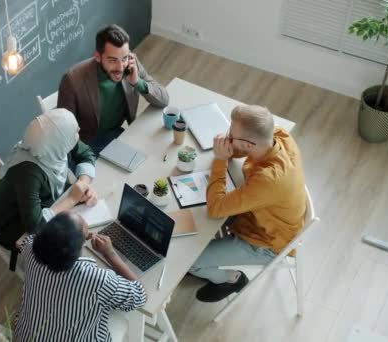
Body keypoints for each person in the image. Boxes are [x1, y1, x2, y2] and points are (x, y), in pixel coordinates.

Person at [189, 104, 306, 302]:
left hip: (266, 242)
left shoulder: (269, 180)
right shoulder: (279, 135)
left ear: (250, 145)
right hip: (259, 213)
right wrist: (231, 145)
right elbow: (240, 150)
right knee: (197, 222)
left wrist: (220, 160)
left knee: (189, 262)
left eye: (232, 136)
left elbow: (216, 208)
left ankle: (231, 279)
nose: (228, 138)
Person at [0, 108, 98, 270]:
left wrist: (83, 182)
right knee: (71, 251)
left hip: (41, 203)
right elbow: (34, 225)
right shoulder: (28, 171)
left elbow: (86, 153)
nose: (78, 132)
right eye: (75, 131)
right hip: (12, 226)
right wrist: (72, 199)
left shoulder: (54, 141)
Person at [14, 212, 146, 342]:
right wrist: (110, 254)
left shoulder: (31, 249)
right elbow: (140, 296)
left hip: (25, 337)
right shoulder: (97, 281)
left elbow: (28, 237)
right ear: (78, 251)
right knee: (119, 314)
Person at [57, 24, 169, 154]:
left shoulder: (131, 65)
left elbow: (164, 99)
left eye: (124, 58)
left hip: (116, 136)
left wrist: (137, 82)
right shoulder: (72, 79)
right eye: (112, 60)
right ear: (98, 56)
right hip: (84, 145)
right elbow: (64, 131)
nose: (121, 67)